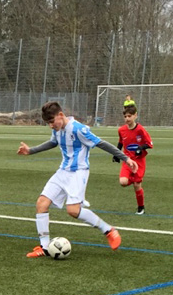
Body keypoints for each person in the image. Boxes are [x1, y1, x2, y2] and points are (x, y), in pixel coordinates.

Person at [17, 101, 138, 258]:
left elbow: (101, 143)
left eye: (52, 121)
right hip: (63, 171)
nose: (51, 126)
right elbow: (53, 142)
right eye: (48, 123)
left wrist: (126, 159)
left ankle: (109, 230)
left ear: (61, 115)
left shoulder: (79, 129)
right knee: (41, 203)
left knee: (73, 210)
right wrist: (31, 150)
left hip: (78, 173)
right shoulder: (58, 129)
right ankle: (45, 247)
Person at [113, 105, 153, 215]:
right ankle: (134, 179)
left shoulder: (140, 129)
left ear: (135, 116)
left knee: (137, 185)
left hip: (139, 161)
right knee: (123, 182)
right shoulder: (121, 130)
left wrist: (141, 148)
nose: (127, 119)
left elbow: (149, 144)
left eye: (129, 116)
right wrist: (116, 154)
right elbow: (121, 142)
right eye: (125, 116)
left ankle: (141, 208)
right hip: (127, 160)